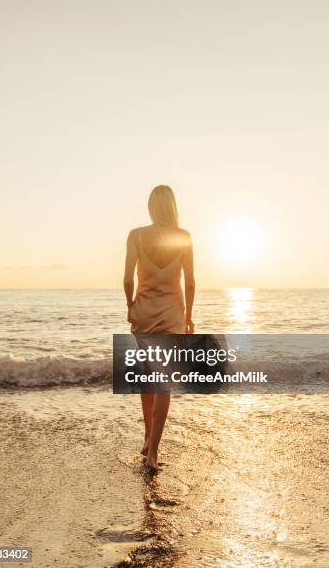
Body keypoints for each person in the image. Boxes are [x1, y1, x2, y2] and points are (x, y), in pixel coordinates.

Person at [123, 184, 195, 470]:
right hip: (172, 315)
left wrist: (130, 304)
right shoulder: (183, 237)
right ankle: (153, 453)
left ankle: (146, 438)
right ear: (172, 206)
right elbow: (189, 281)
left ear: (152, 207)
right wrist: (188, 315)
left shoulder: (136, 235)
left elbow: (128, 278)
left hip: (143, 312)